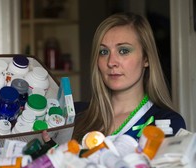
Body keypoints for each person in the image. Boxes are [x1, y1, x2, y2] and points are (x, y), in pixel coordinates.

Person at [71, 12, 186, 143]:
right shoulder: (75, 114)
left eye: (123, 51)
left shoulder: (166, 123)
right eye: (104, 52)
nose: (111, 62)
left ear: (146, 58)